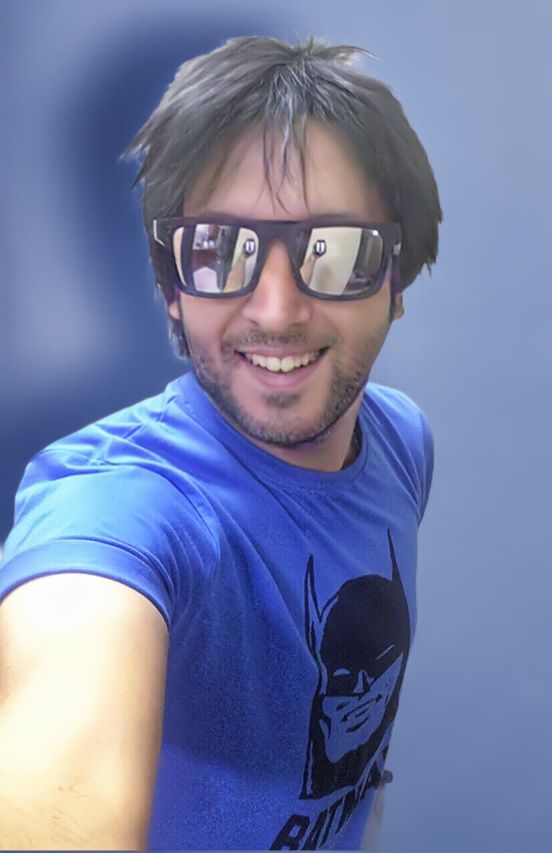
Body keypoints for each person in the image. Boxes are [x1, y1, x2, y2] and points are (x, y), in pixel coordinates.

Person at [0, 36, 441, 851]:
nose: (276, 311)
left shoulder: (399, 444)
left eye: (335, 251)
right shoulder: (119, 507)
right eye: (218, 250)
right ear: (172, 289)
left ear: (397, 279)